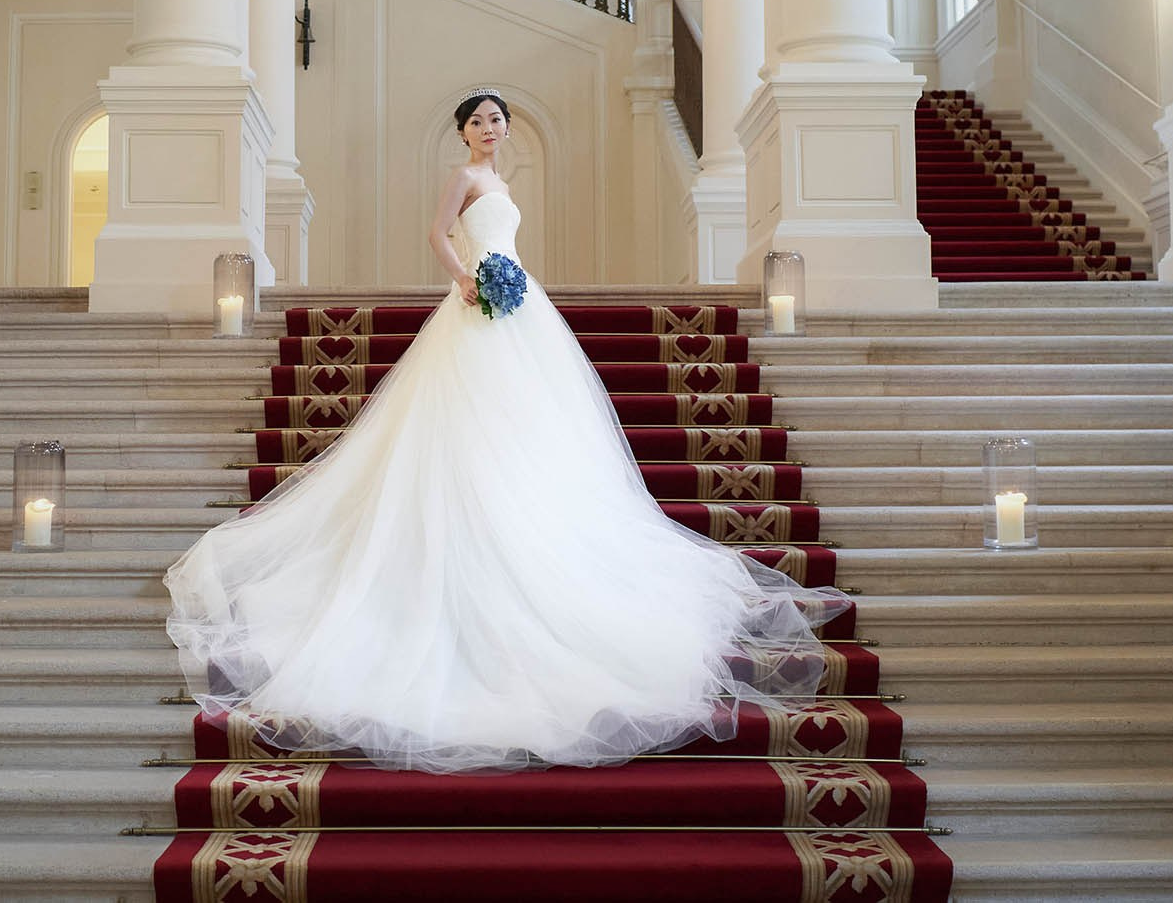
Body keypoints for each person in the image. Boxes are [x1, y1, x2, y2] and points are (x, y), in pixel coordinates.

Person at [163, 88, 847, 772]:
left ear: (506, 128)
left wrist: (498, 277)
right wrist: (464, 278)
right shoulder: (463, 177)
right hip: (477, 305)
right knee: (464, 426)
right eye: (476, 121)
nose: (488, 128)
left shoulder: (503, 180)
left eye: (496, 119)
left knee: (533, 432)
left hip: (518, 304)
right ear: (461, 132)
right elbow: (436, 232)